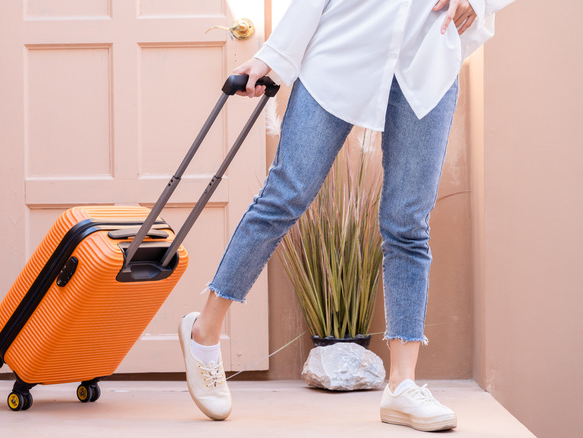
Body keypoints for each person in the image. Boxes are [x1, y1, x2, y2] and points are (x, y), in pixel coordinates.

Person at [177, 0, 513, 432]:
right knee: (283, 197)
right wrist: (272, 57)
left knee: (408, 224)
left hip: (426, 65)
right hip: (340, 55)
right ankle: (204, 332)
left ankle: (402, 387)